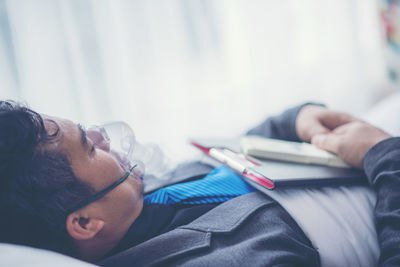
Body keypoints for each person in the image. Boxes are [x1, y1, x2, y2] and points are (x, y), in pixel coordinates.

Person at [0, 100, 396, 266]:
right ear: (85, 223)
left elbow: (239, 156)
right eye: (89, 147)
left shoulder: (138, 199)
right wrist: (386, 157)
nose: (103, 135)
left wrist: (298, 119)